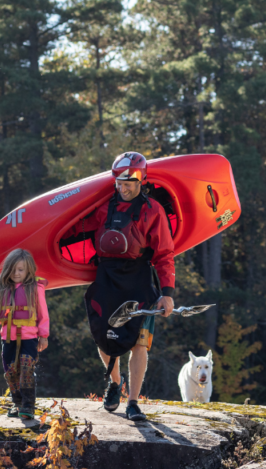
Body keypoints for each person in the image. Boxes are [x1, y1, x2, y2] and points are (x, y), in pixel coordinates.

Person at [63, 152, 175, 422]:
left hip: (138, 280)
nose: (123, 188)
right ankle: (115, 383)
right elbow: (74, 227)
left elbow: (164, 255)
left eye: (129, 183)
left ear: (141, 180)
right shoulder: (103, 208)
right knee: (103, 336)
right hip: (107, 278)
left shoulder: (152, 211)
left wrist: (167, 293)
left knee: (139, 343)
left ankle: (133, 402)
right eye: (119, 183)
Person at [0, 249, 50, 420]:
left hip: (30, 337)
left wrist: (44, 335)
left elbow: (42, 313)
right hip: (8, 338)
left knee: (26, 370)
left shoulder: (35, 288)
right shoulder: (1, 288)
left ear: (28, 270)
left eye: (21, 270)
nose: (16, 273)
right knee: (11, 372)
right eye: (13, 269)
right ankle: (17, 403)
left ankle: (28, 406)